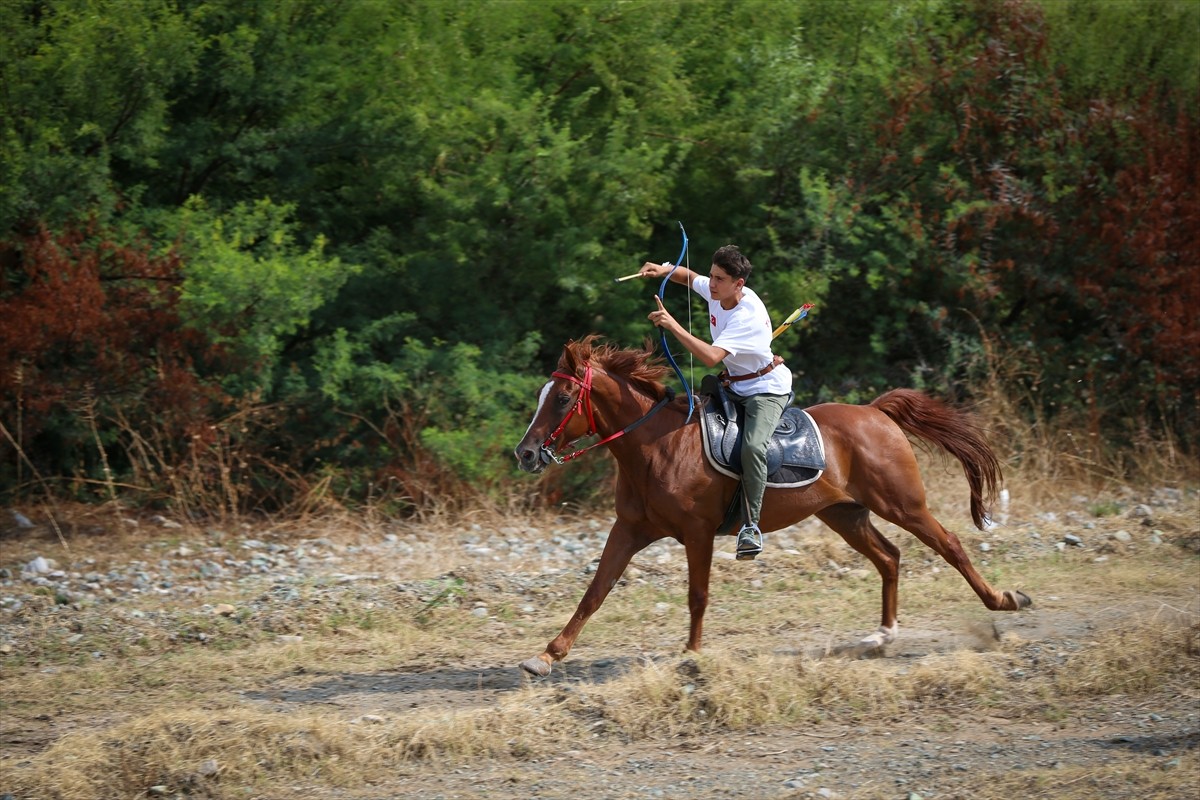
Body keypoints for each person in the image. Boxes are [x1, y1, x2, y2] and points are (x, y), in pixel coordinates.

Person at [641, 245, 792, 560]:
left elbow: (710, 357)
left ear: (739, 284)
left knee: (753, 447)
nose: (711, 284)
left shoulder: (746, 315)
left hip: (765, 389)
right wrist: (662, 268)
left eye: (719, 279)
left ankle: (751, 526)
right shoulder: (717, 291)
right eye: (712, 275)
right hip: (733, 385)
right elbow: (689, 277)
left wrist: (672, 324)